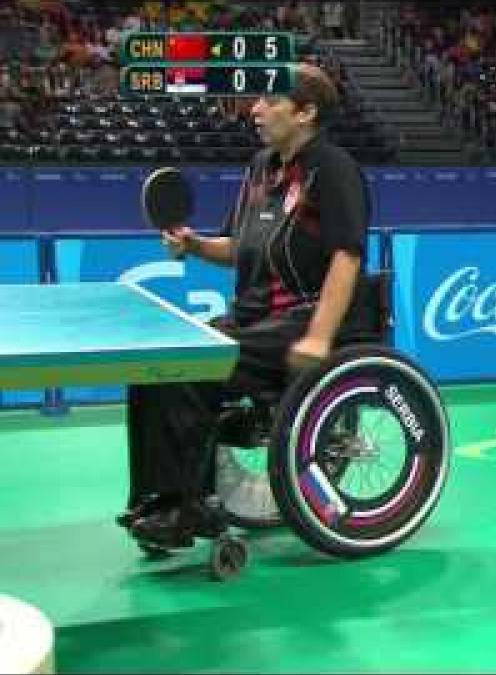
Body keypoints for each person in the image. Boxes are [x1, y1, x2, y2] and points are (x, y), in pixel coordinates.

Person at [118, 63, 379, 547]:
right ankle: (155, 498)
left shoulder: (334, 169)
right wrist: (194, 244)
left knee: (189, 369)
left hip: (302, 318)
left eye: (269, 100)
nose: (254, 110)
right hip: (254, 318)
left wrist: (319, 336)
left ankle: (186, 509)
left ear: (305, 112)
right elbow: (238, 246)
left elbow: (347, 256)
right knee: (156, 361)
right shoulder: (261, 167)